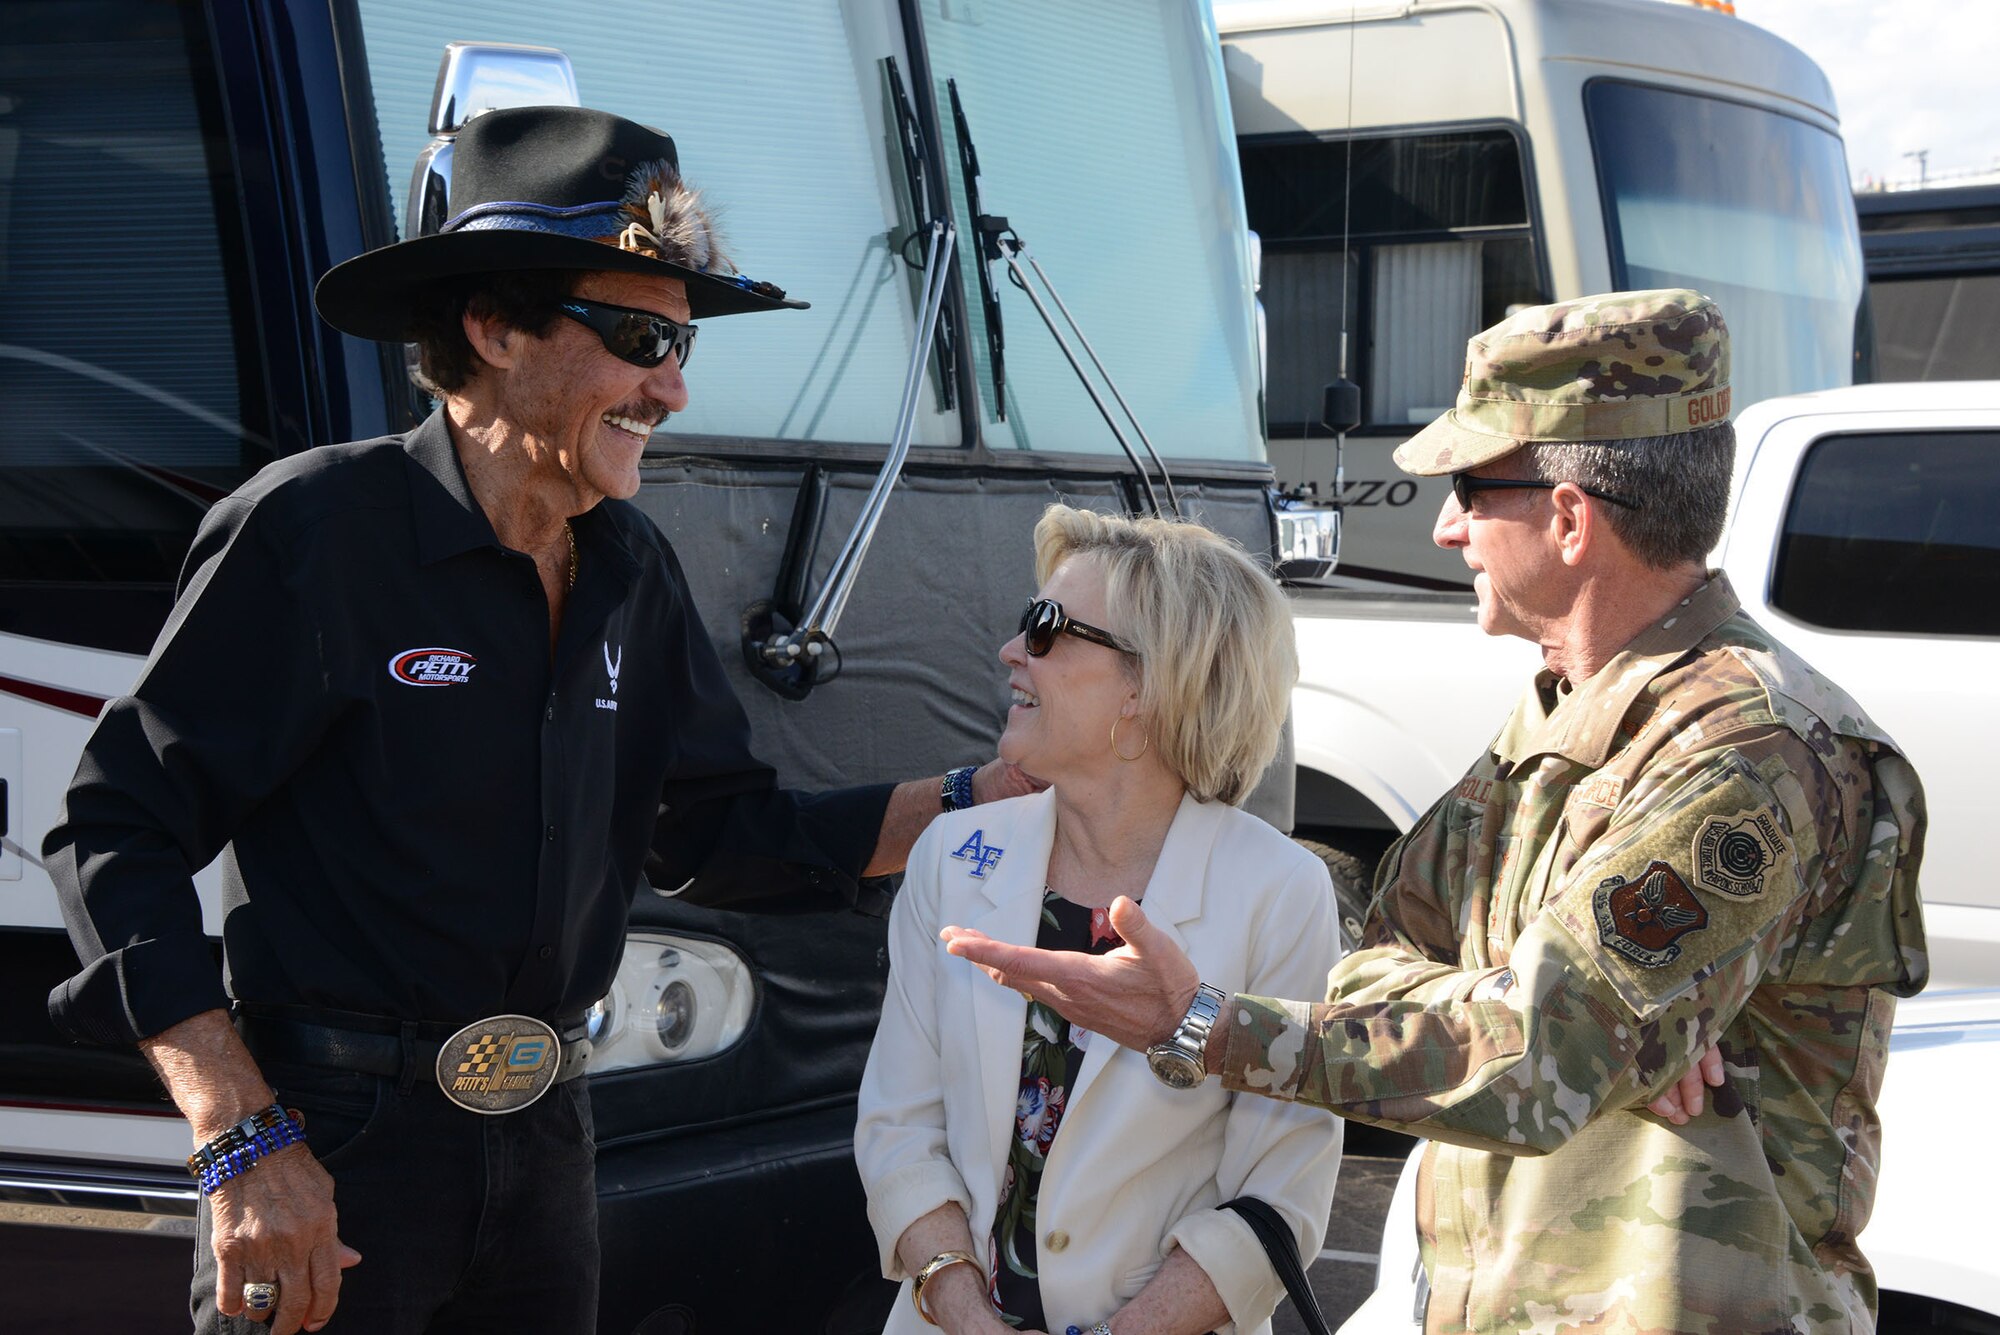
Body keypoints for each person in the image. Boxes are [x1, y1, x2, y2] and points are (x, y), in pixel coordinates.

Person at [44, 106, 1030, 1335]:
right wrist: (242, 1142)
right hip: (332, 1150)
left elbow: (721, 836)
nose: (669, 386)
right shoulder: (314, 536)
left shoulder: (632, 569)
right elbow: (111, 833)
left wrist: (980, 797)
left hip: (550, 1143)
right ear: (494, 326)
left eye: (680, 344)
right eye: (637, 337)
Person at [944, 291, 1929, 1334]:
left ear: (1566, 517)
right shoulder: (1563, 716)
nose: (1444, 524)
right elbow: (1382, 958)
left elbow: (1540, 1059)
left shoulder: (1748, 752)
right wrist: (1580, 1026)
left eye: (1468, 486)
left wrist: (1204, 1025)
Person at [856, 506, 1342, 1335]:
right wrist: (966, 1310)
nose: (1013, 650)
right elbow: (900, 1124)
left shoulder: (1281, 890)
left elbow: (1278, 1193)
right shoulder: (952, 853)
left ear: (1148, 686)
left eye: (1047, 629)